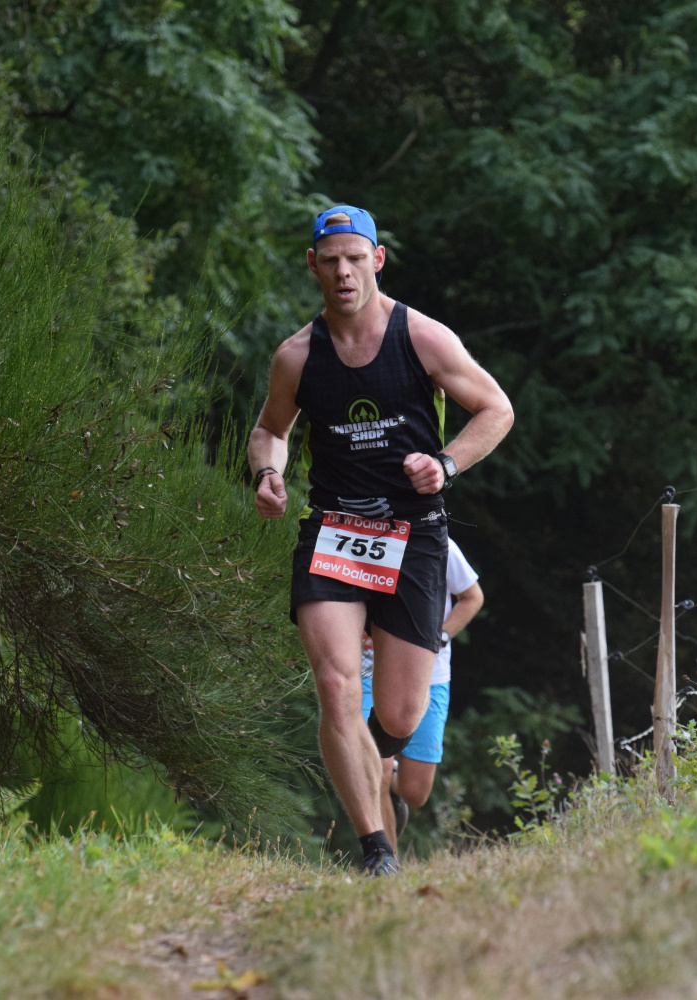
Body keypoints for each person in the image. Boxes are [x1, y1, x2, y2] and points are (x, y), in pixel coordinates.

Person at [247, 205, 514, 876]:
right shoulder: (297, 355)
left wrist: (446, 464)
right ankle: (376, 849)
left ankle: (369, 759)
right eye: (331, 260)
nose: (343, 272)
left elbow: (497, 408)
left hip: (414, 534)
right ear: (313, 265)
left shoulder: (422, 337)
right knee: (337, 685)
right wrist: (268, 474)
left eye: (355, 259)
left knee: (398, 714)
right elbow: (270, 429)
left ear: (378, 259)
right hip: (335, 530)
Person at [360, 536, 482, 855]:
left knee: (415, 793)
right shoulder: (359, 534)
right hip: (368, 672)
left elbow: (472, 596)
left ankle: (395, 783)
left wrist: (441, 636)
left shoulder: (438, 541)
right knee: (376, 771)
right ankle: (384, 864)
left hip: (428, 675)